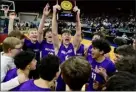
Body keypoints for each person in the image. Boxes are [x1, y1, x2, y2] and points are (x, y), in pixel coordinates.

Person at [52, 4, 81, 91]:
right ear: (61, 37)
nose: (67, 36)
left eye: (69, 34)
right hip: (60, 75)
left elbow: (78, 33)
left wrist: (77, 16)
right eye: (65, 34)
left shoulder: (74, 46)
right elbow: (54, 33)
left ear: (71, 37)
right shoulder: (58, 46)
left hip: (72, 75)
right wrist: (54, 13)